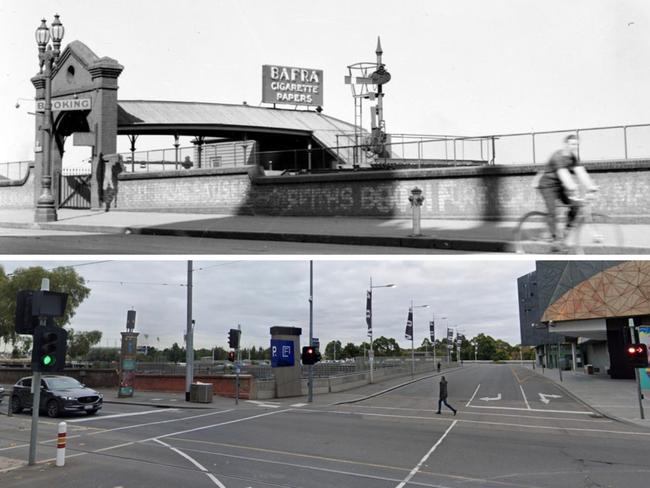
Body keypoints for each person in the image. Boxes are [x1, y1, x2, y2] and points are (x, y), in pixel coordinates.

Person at [536, 134, 598, 244]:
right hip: (547, 185)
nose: (574, 147)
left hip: (560, 186)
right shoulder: (557, 156)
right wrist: (572, 187)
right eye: (572, 144)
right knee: (552, 211)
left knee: (576, 205)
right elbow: (563, 174)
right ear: (566, 144)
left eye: (576, 145)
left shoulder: (572, 158)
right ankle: (554, 239)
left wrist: (591, 186)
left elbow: (580, 172)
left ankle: (566, 231)